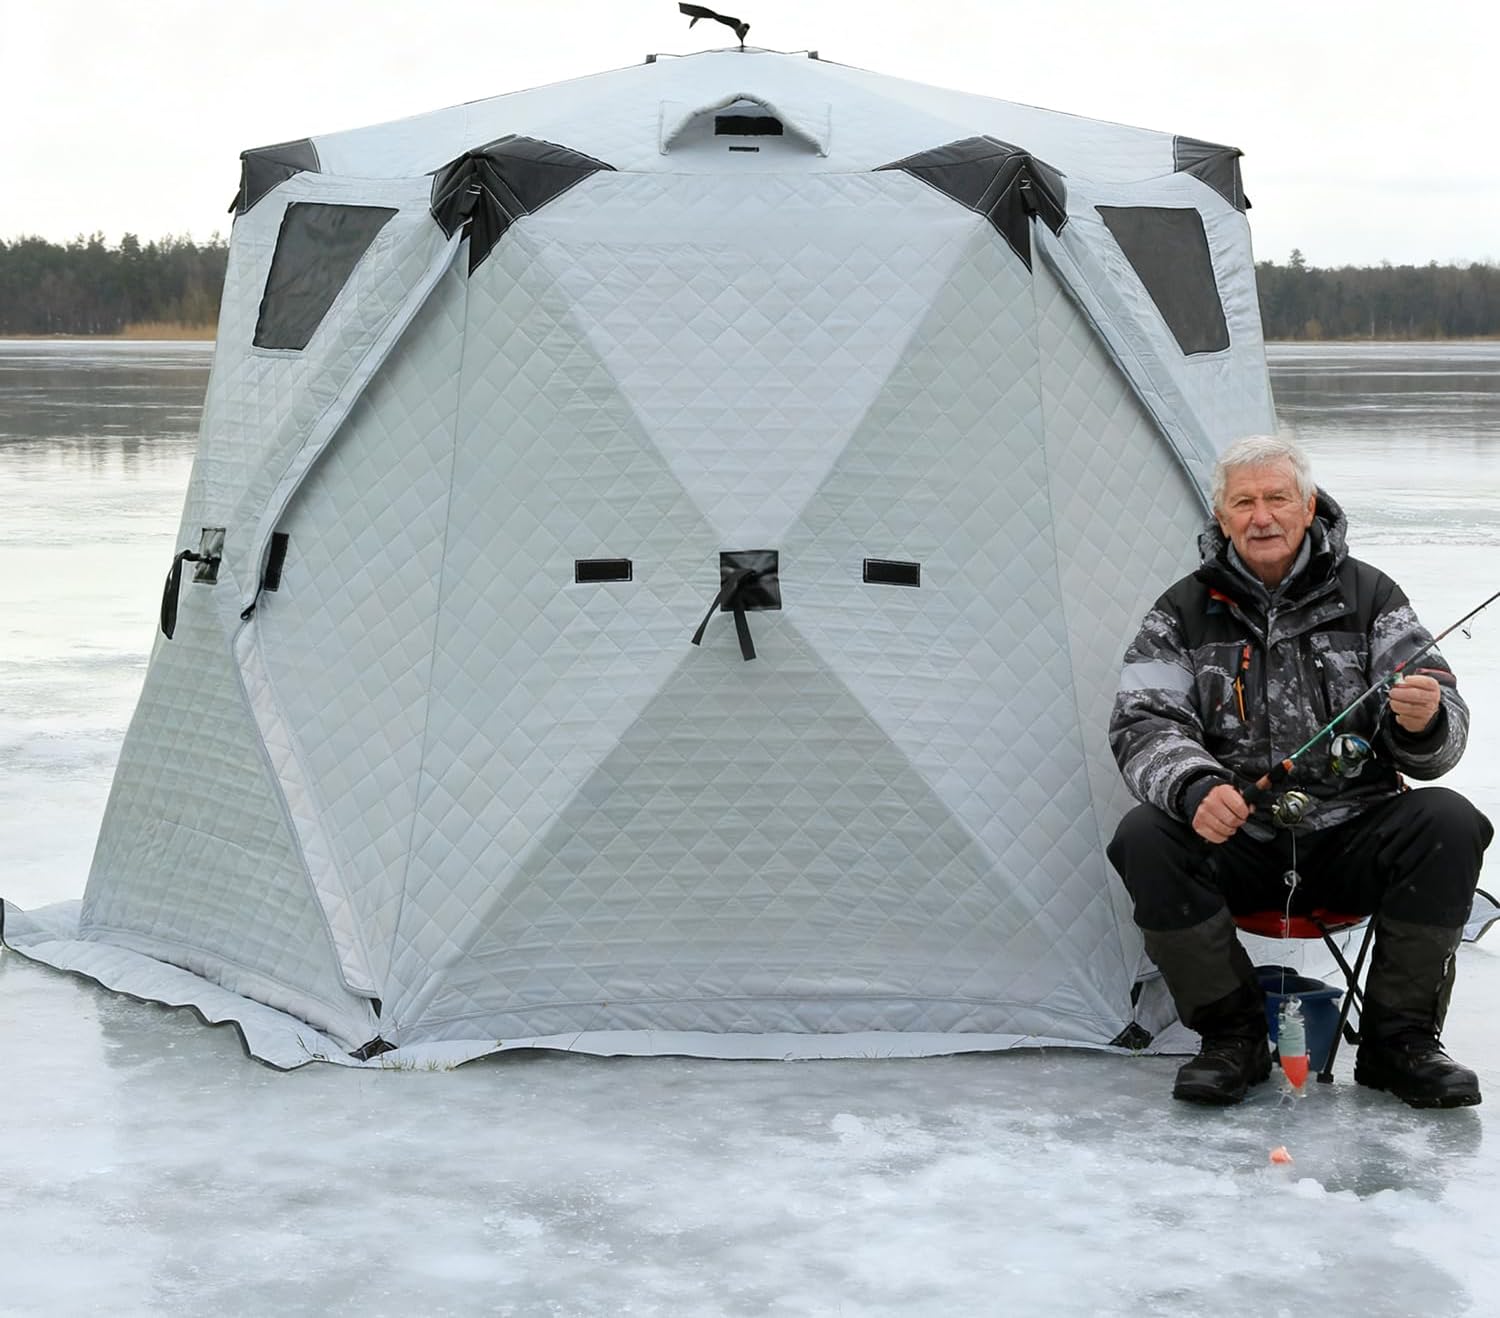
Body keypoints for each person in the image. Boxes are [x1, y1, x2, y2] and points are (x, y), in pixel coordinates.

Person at [1107, 434, 1492, 1108]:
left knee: (1450, 820)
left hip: (1353, 838)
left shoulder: (1373, 597)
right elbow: (1142, 722)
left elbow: (1443, 739)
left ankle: (1399, 1043)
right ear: (1221, 517)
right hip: (1240, 842)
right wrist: (1195, 787)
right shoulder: (1179, 611)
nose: (1263, 516)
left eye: (1278, 499)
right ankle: (1233, 1038)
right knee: (1146, 835)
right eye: (1245, 502)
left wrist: (1423, 720)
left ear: (1308, 505)